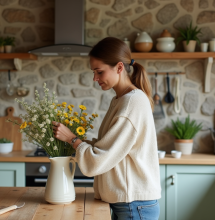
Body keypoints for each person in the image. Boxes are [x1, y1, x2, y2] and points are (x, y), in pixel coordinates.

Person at [52, 37, 161, 220]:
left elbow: (98, 160)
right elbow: (108, 148)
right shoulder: (120, 100)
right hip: (128, 203)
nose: (95, 78)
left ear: (119, 68)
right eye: (94, 72)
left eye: (99, 72)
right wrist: (74, 139)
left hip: (133, 205)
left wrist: (72, 139)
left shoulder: (131, 103)